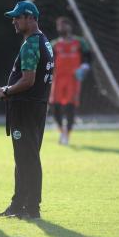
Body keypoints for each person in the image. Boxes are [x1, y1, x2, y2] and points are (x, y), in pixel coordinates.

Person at [0, 1, 54, 219]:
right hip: (36, 107)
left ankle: (31, 208)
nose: (14, 21)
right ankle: (18, 205)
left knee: (27, 158)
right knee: (24, 157)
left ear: (30, 18)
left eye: (17, 17)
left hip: (26, 108)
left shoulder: (31, 44)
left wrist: (6, 90)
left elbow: (28, 80)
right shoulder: (44, 41)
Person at [49, 16, 91, 145]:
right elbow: (47, 61)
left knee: (70, 107)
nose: (60, 28)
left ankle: (67, 135)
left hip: (73, 79)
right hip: (58, 79)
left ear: (69, 26)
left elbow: (89, 56)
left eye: (63, 25)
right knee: (55, 107)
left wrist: (84, 66)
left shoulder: (80, 42)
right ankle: (62, 132)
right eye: (58, 26)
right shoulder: (54, 44)